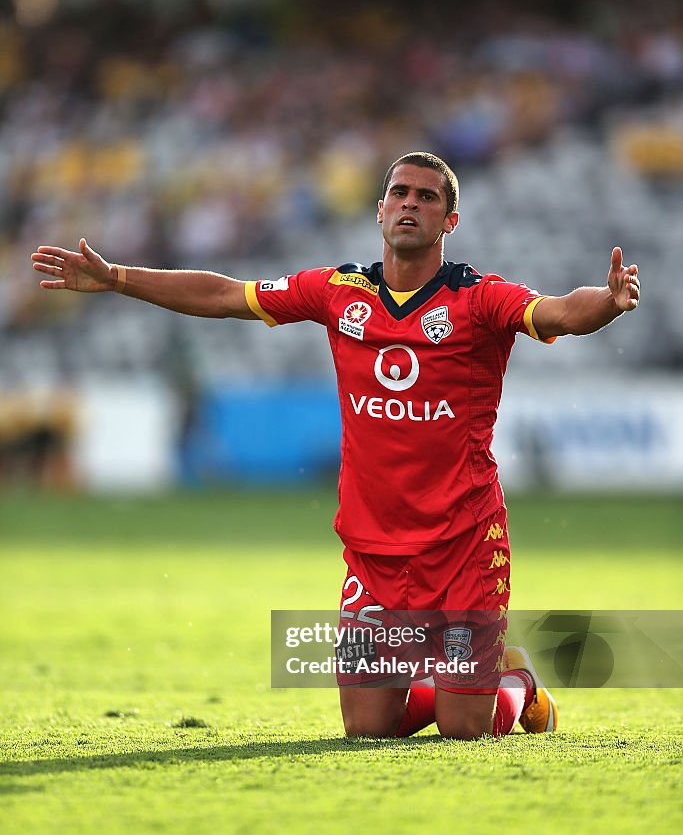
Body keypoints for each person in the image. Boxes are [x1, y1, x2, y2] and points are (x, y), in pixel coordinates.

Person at [31, 151, 641, 741]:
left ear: (449, 222)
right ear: (379, 212)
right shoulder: (337, 291)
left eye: (426, 197)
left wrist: (607, 305)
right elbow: (224, 296)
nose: (410, 205)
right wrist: (117, 279)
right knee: (367, 730)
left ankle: (518, 683)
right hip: (373, 550)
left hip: (463, 544)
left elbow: (560, 312)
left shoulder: (480, 299)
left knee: (464, 732)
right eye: (399, 194)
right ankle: (466, 676)